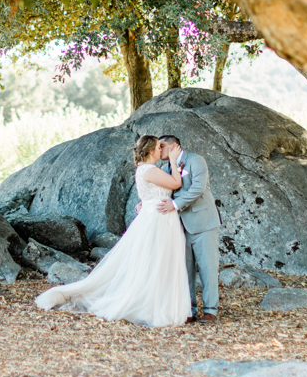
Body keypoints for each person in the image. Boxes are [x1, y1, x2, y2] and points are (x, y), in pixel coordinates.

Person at [34, 134, 191, 327]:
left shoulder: (147, 170)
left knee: (160, 261)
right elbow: (176, 184)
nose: (162, 150)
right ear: (151, 151)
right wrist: (175, 161)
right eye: (159, 147)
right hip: (158, 219)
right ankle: (151, 304)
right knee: (155, 261)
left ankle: (161, 302)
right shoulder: (149, 170)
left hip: (159, 216)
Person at [155, 135, 221, 323]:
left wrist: (175, 204)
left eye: (162, 146)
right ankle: (189, 309)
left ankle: (210, 310)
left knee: (208, 267)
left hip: (203, 222)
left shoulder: (195, 160)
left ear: (174, 146)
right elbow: (159, 193)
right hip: (177, 226)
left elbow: (198, 188)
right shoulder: (163, 168)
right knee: (184, 269)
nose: (159, 150)